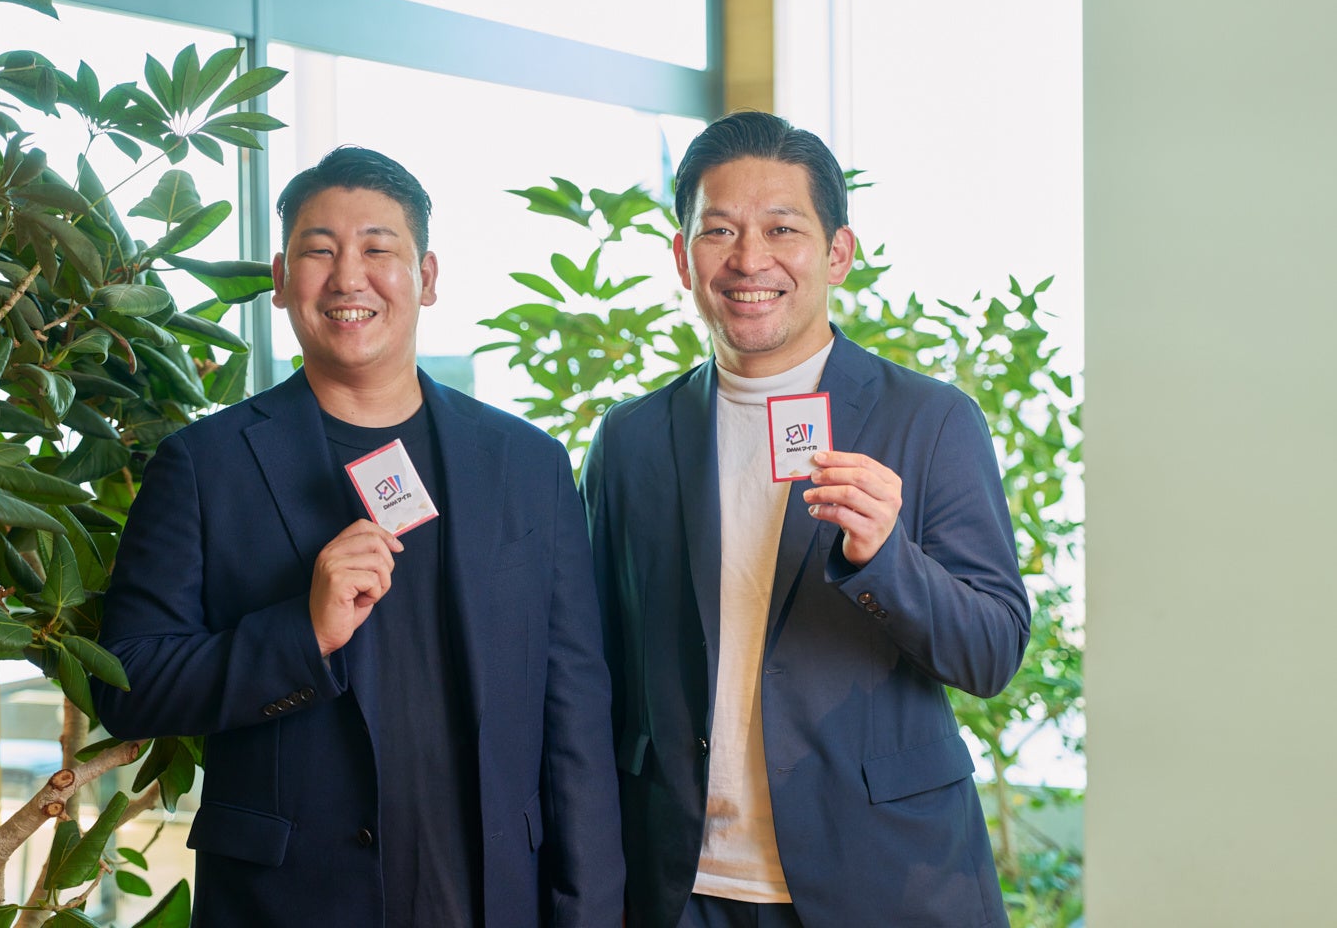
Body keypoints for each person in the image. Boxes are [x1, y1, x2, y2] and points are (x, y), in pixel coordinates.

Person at [94, 147, 624, 927]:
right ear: (281, 279)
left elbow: (574, 711)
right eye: (320, 251)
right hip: (287, 904)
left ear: (427, 276)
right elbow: (126, 684)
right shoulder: (204, 465)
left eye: (378, 249)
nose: (349, 278)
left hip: (491, 895)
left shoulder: (525, 464)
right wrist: (301, 634)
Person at [581, 111, 1030, 928]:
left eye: (782, 229)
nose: (750, 259)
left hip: (886, 880)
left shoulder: (929, 420)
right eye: (719, 231)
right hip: (680, 885)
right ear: (682, 257)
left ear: (837, 254)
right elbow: (592, 666)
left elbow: (992, 652)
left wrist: (886, 557)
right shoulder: (631, 438)